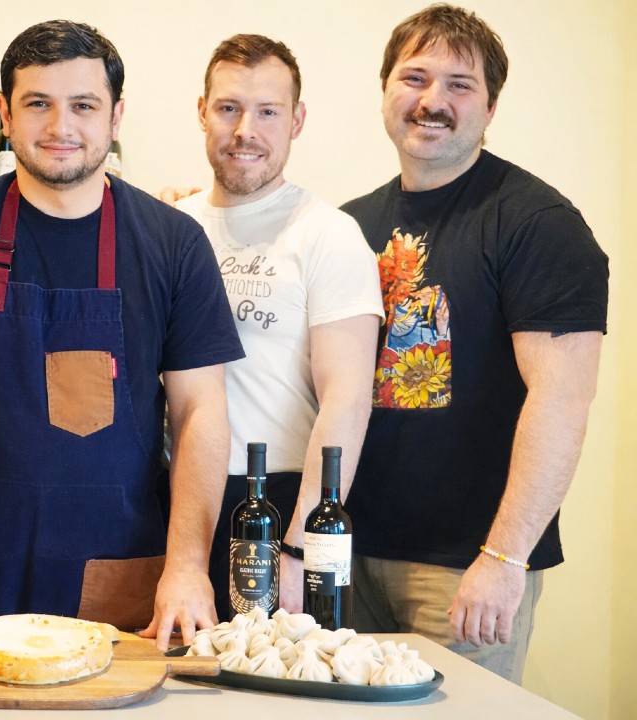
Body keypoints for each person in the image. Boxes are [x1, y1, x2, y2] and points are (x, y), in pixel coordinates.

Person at [0, 19, 244, 651]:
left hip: (120, 575)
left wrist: (186, 566)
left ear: (116, 117)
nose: (61, 126)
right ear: (5, 114)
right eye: (38, 103)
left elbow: (200, 410)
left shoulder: (174, 244)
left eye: (84, 106)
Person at [340, 4, 608, 682]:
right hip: (347, 555)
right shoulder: (346, 226)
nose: (433, 100)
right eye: (415, 77)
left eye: (460, 85)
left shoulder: (538, 223)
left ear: (490, 107)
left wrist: (504, 558)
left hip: (464, 570)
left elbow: (562, 400)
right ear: (385, 90)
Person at [174, 34, 382, 621]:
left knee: (265, 673)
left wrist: (298, 545)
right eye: (229, 108)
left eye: (268, 111)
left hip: (277, 501)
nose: (246, 130)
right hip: (173, 502)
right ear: (202, 111)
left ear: (297, 120)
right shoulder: (171, 226)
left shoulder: (328, 234)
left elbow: (347, 399)